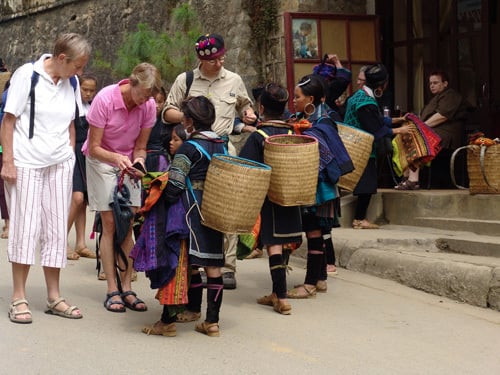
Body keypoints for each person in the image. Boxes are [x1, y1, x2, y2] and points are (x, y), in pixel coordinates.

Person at [1, 33, 91, 323]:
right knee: (25, 229)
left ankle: (54, 296)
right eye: (77, 66)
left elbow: (72, 123)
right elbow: (8, 120)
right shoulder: (28, 76)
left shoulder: (71, 82)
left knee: (55, 230)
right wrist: (8, 162)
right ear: (62, 59)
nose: (80, 73)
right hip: (26, 163)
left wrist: (69, 156)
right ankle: (18, 297)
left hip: (59, 163)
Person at [162, 33, 257, 290]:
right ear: (202, 59)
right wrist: (190, 115)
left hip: (225, 150)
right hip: (194, 151)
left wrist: (248, 115)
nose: (220, 62)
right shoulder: (186, 80)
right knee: (197, 208)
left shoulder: (234, 80)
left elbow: (246, 107)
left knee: (228, 210)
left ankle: (228, 267)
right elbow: (166, 112)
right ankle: (200, 261)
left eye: (222, 57)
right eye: (215, 59)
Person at [82, 62, 162, 313]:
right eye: (142, 95)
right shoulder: (105, 99)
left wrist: (138, 162)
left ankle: (127, 286)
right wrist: (116, 159)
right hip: (101, 160)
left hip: (128, 161)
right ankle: (111, 288)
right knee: (109, 223)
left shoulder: (147, 105)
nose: (144, 101)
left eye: (149, 98)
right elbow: (94, 146)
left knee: (128, 223)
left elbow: (141, 146)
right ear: (132, 83)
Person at [161, 95, 226, 337]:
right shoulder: (221, 143)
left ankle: (173, 317)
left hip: (191, 211)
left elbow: (175, 186)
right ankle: (212, 321)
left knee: (183, 264)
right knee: (213, 265)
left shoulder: (188, 147)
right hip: (216, 208)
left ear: (189, 121)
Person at [285, 75, 351, 298]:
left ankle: (310, 283)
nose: (294, 101)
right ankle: (321, 277)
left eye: (297, 97)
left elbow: (323, 151)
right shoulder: (305, 118)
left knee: (314, 230)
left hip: (319, 186)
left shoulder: (323, 123)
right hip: (312, 183)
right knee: (318, 231)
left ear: (310, 98)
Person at [239, 83, 301, 314]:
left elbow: (247, 165)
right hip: (291, 194)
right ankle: (277, 292)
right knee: (283, 241)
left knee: (273, 244)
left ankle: (281, 297)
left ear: (261, 107)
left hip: (270, 197)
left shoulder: (259, 136)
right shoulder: (293, 133)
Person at [344, 64, 410, 229]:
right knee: (365, 185)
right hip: (362, 149)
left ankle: (360, 218)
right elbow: (375, 128)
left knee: (365, 183)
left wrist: (395, 119)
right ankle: (359, 219)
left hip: (356, 145)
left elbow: (376, 119)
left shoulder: (359, 95)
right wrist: (399, 130)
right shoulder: (366, 102)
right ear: (383, 84)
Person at [395, 70, 467, 190]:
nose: (432, 85)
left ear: (445, 83)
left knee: (415, 137)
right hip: (432, 131)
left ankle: (413, 179)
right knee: (402, 136)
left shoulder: (451, 95)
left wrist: (420, 127)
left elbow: (442, 116)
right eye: (430, 83)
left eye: (435, 83)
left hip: (445, 134)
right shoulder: (434, 98)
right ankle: (406, 175)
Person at [67, 74, 98, 260]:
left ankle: (80, 243)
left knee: (84, 200)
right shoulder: (72, 106)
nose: (87, 93)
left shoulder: (93, 106)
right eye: (84, 89)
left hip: (88, 155)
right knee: (76, 198)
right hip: (74, 153)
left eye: (91, 90)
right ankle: (61, 241)